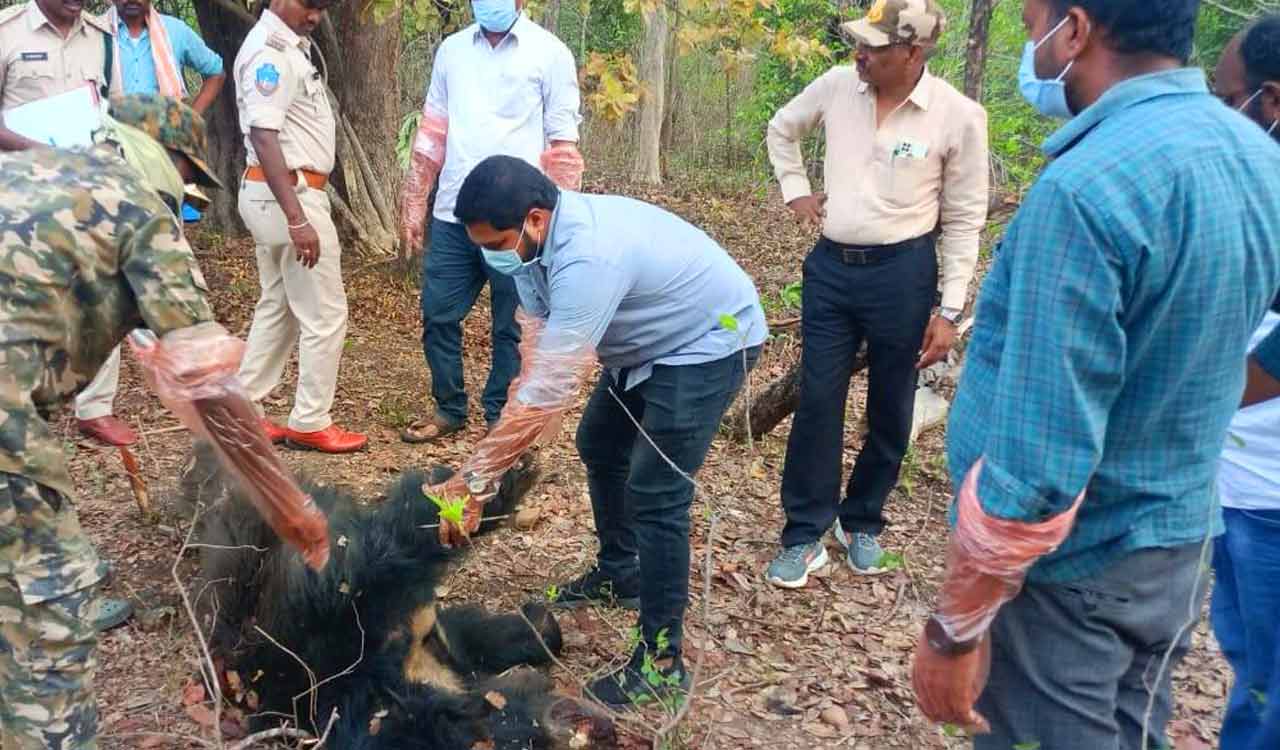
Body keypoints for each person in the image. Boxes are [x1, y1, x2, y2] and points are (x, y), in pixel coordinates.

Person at [909, 1, 1280, 749]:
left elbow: (1038, 471)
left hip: (1075, 577)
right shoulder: (1254, 157)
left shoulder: (1088, 190)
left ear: (1074, 31)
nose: (1027, 35)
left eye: (1033, 21)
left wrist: (956, 629)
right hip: (1178, 545)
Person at [0, 93, 328, 750]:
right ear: (165, 154)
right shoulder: (139, 209)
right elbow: (209, 381)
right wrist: (290, 507)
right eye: (186, 180)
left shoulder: (34, 177)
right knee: (49, 616)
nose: (183, 198)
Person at [429, 155, 766, 708]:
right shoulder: (533, 254)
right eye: (481, 245)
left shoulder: (588, 257)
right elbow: (536, 362)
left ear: (535, 220)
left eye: (497, 241)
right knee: (600, 444)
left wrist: (473, 478)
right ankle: (620, 570)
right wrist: (489, 464)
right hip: (644, 345)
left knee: (657, 491)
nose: (491, 255)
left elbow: (551, 389)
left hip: (707, 341)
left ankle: (661, 660)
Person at [763, 0, 989, 584]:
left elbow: (965, 218)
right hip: (833, 270)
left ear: (912, 54)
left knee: (891, 404)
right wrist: (796, 190)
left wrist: (950, 310)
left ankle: (861, 518)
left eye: (874, 47)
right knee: (818, 398)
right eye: (858, 43)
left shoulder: (957, 116)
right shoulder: (839, 86)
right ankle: (804, 531)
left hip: (904, 273)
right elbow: (782, 129)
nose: (859, 54)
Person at [396, 0, 582, 444]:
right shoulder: (452, 51)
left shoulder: (550, 53)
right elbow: (433, 131)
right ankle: (449, 407)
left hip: (517, 221)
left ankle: (501, 415)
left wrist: (560, 223)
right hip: (452, 213)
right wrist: (414, 196)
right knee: (438, 314)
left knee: (512, 325)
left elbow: (562, 144)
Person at [68, 0, 227, 455]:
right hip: (109, 161)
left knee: (166, 269)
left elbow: (215, 70)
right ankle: (95, 406)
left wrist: (186, 119)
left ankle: (193, 382)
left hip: (161, 165)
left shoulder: (174, 32)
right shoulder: (94, 33)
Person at [232, 0, 366, 453]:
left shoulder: (289, 46)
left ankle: (243, 410)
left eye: (322, 8)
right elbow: (263, 135)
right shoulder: (270, 53)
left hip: (276, 195)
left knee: (280, 305)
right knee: (325, 313)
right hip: (290, 196)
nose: (316, 16)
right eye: (309, 5)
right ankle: (310, 419)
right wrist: (297, 218)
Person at [0, 0, 130, 445]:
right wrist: (43, 150)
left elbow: (115, 113)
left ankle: (95, 407)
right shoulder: (7, 31)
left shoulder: (103, 40)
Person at [1210, 15, 1280, 750]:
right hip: (1238, 479)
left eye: (1229, 102)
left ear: (1273, 101)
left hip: (1271, 501)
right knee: (1251, 667)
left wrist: (1188, 404)